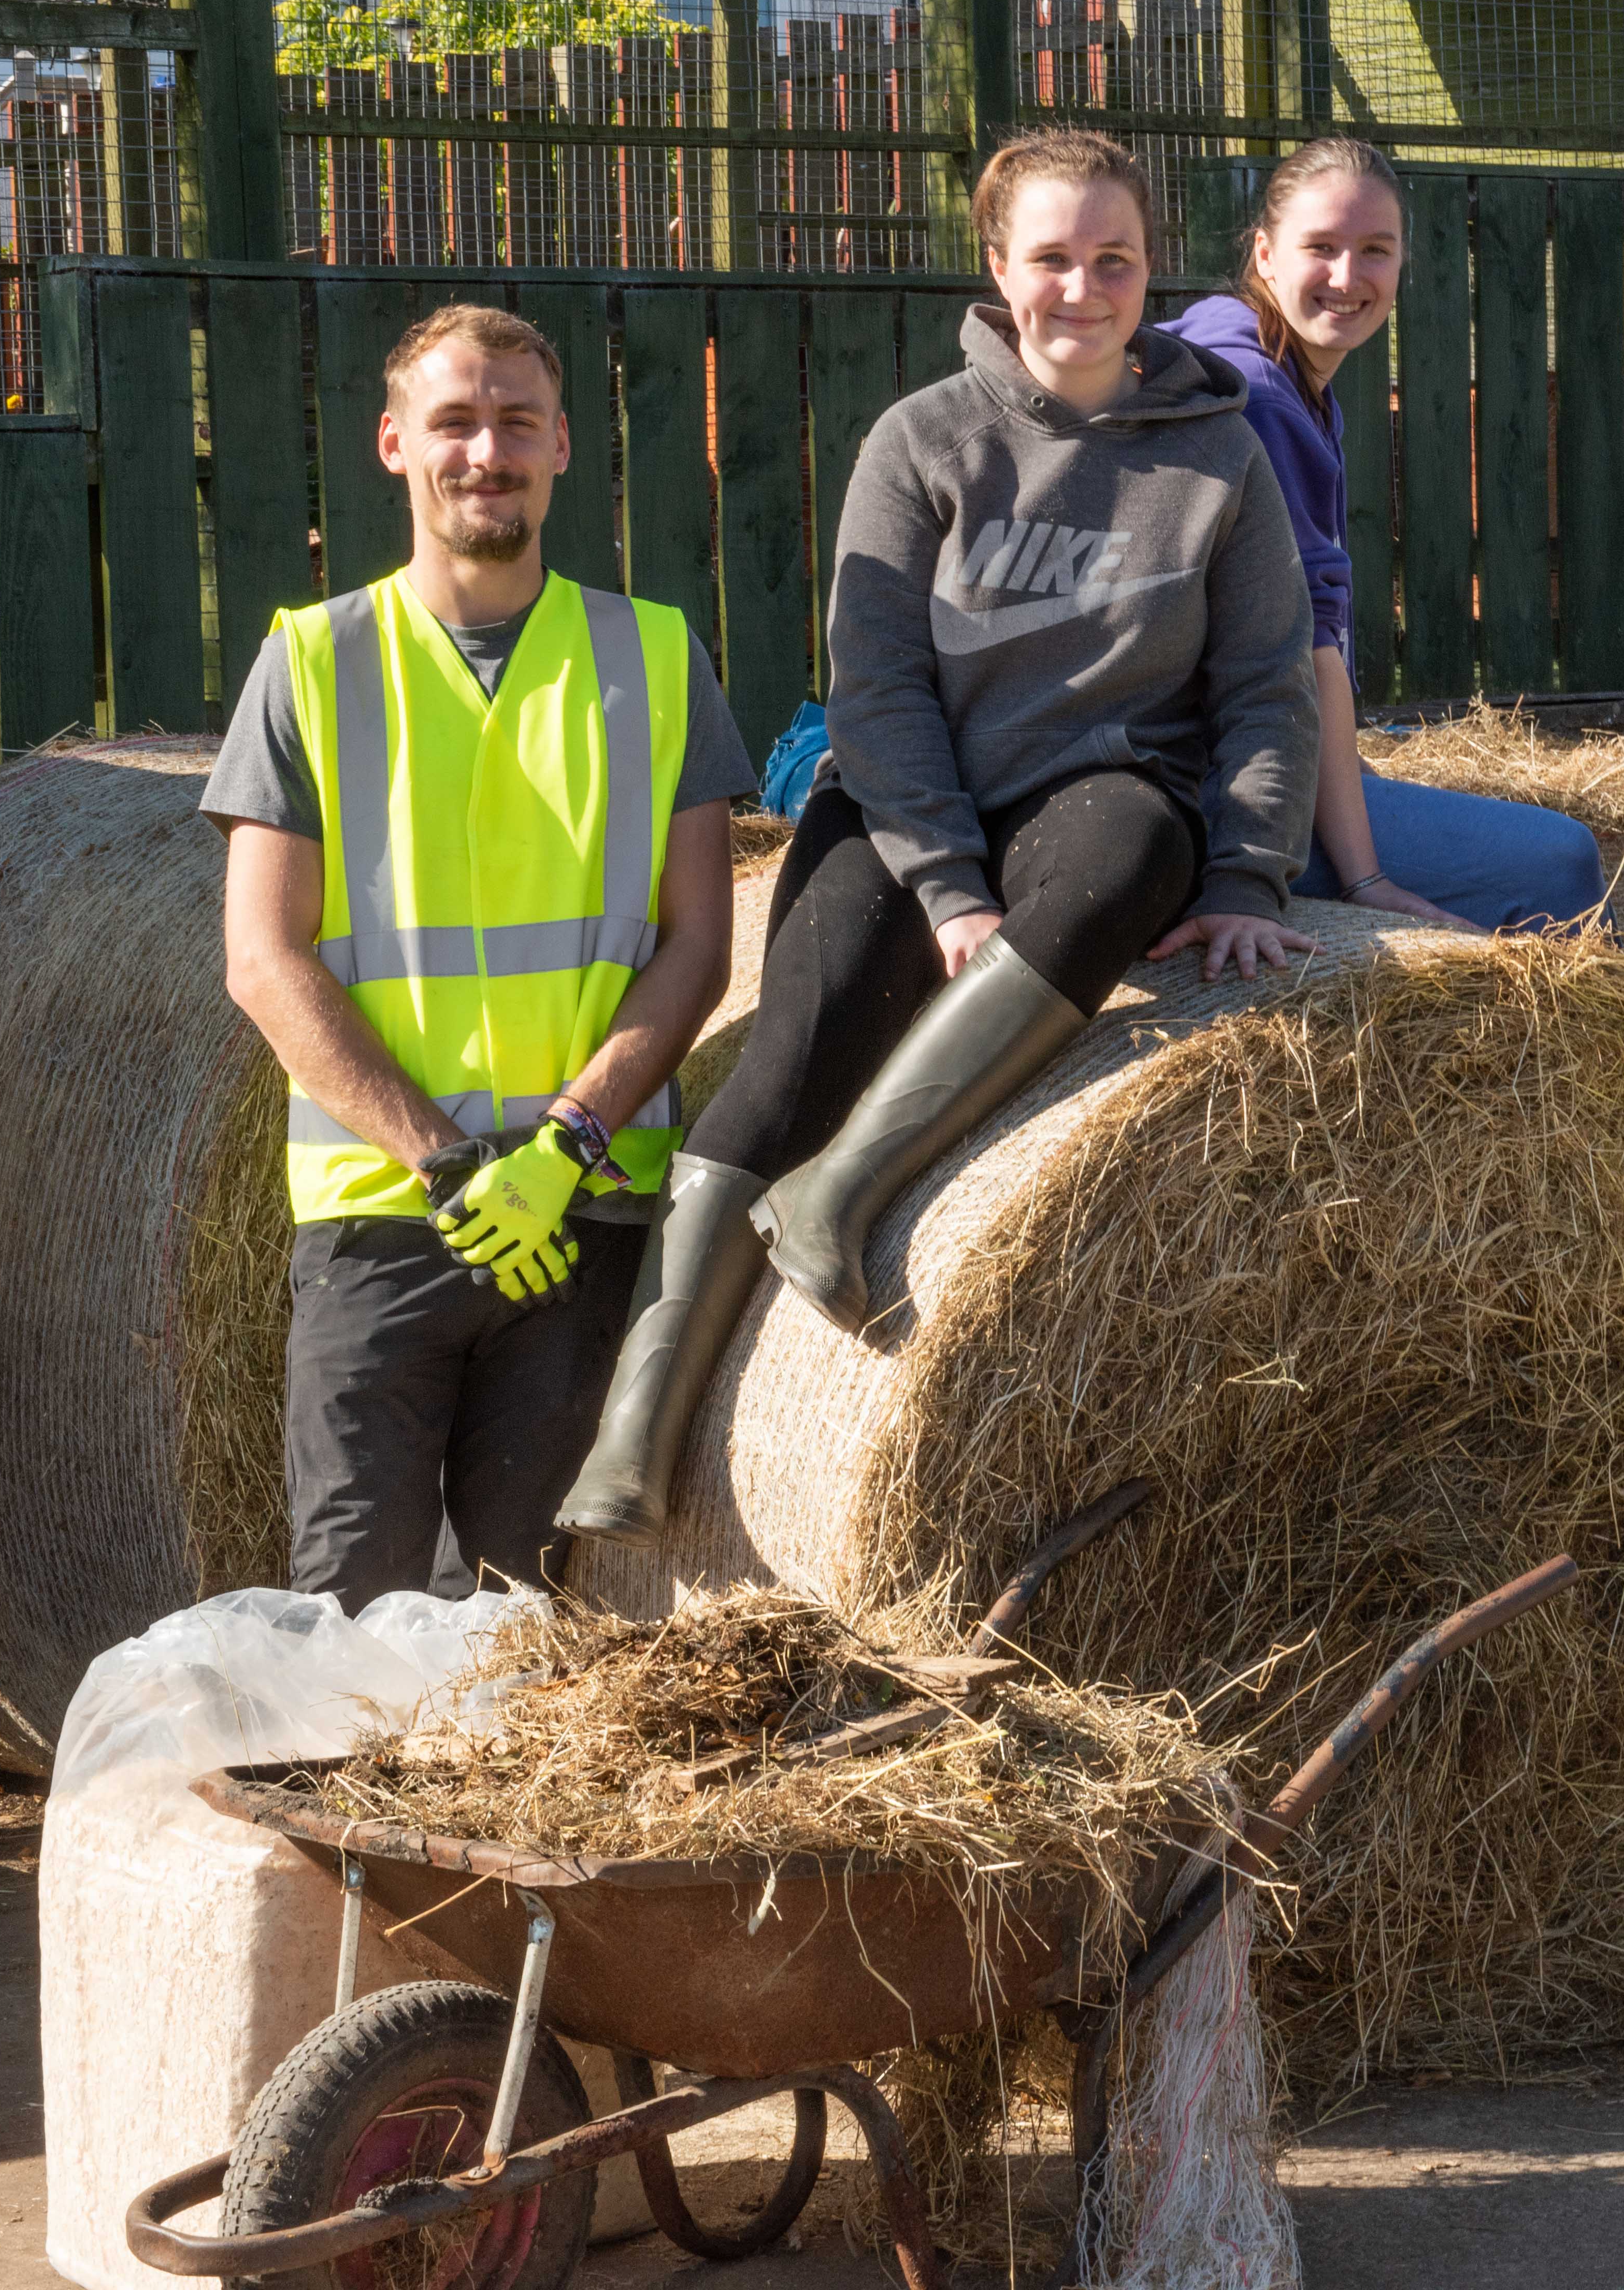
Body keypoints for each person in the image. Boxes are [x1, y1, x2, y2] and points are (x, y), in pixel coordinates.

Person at [557, 127, 1321, 1537]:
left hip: (1092, 792)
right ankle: (635, 1428)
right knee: (810, 1027)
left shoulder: (1219, 454)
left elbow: (1269, 686)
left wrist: (1252, 872)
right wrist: (947, 886)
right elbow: (880, 686)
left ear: (1152, 272)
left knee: (1134, 851)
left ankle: (841, 1195)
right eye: (1051, 259)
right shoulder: (924, 441)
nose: (1082, 290)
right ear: (995, 268)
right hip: (909, 798)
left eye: (1115, 260)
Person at [207, 303, 753, 1609]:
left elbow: (698, 948)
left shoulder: (657, 655)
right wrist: (449, 1164)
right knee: (349, 1611)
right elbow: (262, 960)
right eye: (453, 421)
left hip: (584, 1214)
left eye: (516, 422)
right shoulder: (313, 656)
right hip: (381, 1216)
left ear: (564, 446)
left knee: (545, 1626)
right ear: (395, 444)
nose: (485, 450)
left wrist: (561, 1148)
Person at [1160, 140, 1605, 933]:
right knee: (1562, 863)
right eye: (1320, 247)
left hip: (1214, 756)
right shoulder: (1256, 392)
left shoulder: (1263, 362)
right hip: (1208, 785)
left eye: (1375, 251)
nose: (1346, 276)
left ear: (1403, 264)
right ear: (1264, 253)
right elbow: (1308, 644)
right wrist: (1366, 880)